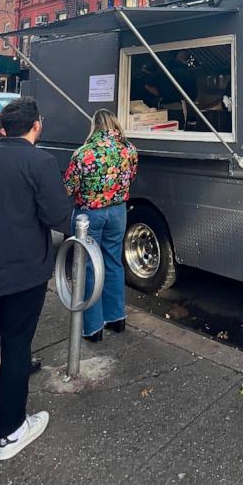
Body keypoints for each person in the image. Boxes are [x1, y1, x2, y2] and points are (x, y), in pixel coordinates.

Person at [0, 96, 72, 469]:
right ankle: (11, 431)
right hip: (23, 273)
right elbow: (57, 215)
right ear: (37, 125)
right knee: (16, 347)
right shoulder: (40, 161)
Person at [64, 110, 138, 342]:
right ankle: (116, 318)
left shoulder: (83, 153)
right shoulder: (129, 150)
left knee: (88, 266)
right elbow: (131, 177)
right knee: (113, 261)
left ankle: (93, 327)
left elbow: (69, 186)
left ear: (94, 125)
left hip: (90, 215)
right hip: (118, 211)